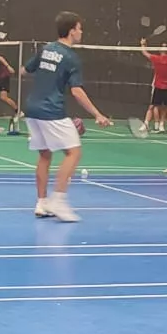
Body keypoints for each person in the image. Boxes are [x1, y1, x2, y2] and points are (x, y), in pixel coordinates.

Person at [25, 12, 112, 222]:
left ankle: (42, 202)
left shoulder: (46, 48)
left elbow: (27, 70)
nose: (81, 32)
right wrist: (98, 114)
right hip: (51, 110)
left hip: (32, 108)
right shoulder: (71, 57)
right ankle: (59, 200)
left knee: (45, 155)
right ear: (72, 30)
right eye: (80, 28)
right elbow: (77, 91)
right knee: (74, 152)